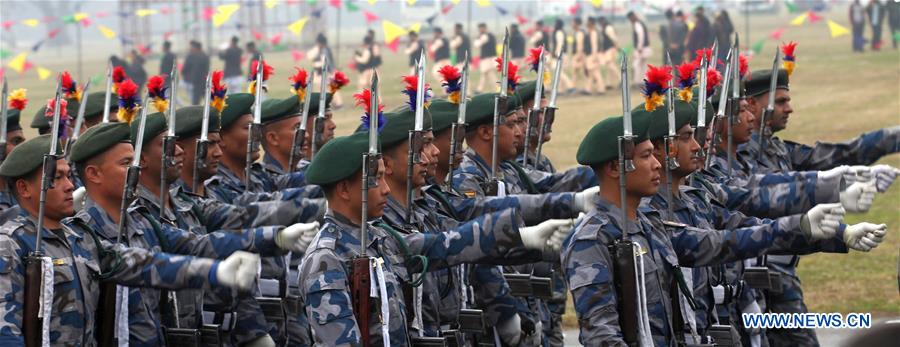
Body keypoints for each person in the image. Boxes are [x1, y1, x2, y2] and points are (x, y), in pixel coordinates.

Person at [561, 111, 885, 345]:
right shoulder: (593, 239)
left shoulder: (650, 225)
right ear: (617, 166)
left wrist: (811, 228)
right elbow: (603, 335)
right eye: (647, 156)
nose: (657, 163)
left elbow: (723, 241)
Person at [299, 131, 561, 345]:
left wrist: (522, 236)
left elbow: (446, 244)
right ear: (344, 189)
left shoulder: (382, 238)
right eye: (375, 180)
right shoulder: (327, 258)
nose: (386, 189)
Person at [70, 122, 316, 346]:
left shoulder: (144, 222)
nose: (135, 172)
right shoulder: (85, 233)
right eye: (126, 164)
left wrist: (275, 238)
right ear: (94, 174)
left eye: (134, 164)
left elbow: (200, 245)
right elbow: (143, 265)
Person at [0, 134, 262, 346]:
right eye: (56, 178)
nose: (69, 185)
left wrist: (215, 271)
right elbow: (5, 331)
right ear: (23, 189)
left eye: (68, 175)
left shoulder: (80, 238)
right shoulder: (11, 244)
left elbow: (144, 264)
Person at [550, 19, 574, 94]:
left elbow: (560, 44)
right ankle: (560, 89)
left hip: (559, 54)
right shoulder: (561, 32)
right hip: (562, 54)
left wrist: (557, 54)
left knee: (558, 71)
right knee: (559, 71)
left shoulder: (559, 32)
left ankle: (570, 86)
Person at [628, 12, 652, 87]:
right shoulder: (640, 23)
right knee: (643, 65)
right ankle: (644, 80)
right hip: (645, 47)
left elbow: (640, 36)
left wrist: (639, 47)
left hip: (641, 48)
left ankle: (637, 81)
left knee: (636, 65)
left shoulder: (637, 24)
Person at [182, 41, 210, 105]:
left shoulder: (193, 56)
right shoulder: (205, 56)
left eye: (192, 47)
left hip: (197, 82)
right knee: (207, 99)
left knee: (195, 102)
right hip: (205, 81)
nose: (190, 49)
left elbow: (185, 69)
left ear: (196, 48)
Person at [474, 23, 498, 93]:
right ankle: (480, 89)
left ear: (484, 28)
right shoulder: (490, 35)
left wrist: (478, 38)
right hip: (489, 57)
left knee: (487, 73)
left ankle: (497, 88)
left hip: (487, 58)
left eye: (481, 28)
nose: (480, 30)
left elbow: (477, 44)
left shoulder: (485, 36)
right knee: (486, 74)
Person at [597, 17, 620, 88]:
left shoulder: (608, 28)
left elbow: (614, 38)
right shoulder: (604, 28)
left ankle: (621, 78)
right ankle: (608, 83)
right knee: (609, 66)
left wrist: (617, 47)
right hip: (608, 49)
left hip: (610, 48)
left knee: (609, 64)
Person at [571, 17, 588, 95]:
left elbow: (580, 45)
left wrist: (578, 56)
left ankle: (586, 87)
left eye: (573, 22)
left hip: (580, 54)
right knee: (577, 72)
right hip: (580, 54)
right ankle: (574, 87)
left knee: (582, 71)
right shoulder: (578, 32)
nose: (571, 24)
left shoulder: (579, 33)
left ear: (576, 23)